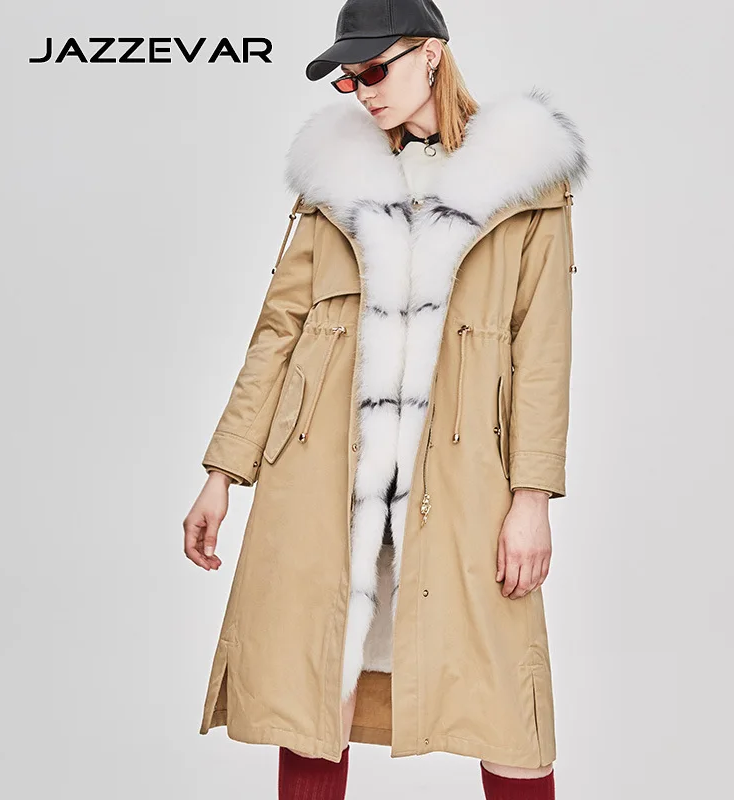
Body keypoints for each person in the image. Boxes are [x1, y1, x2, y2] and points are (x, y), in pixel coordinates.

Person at [183, 1, 589, 797]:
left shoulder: (528, 184)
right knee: (315, 698)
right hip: (322, 475)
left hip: (467, 482)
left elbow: (542, 353)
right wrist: (222, 472)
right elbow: (278, 332)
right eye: (347, 78)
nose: (361, 90)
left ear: (432, 54)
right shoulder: (334, 186)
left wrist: (532, 498)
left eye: (374, 69)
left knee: (507, 716)